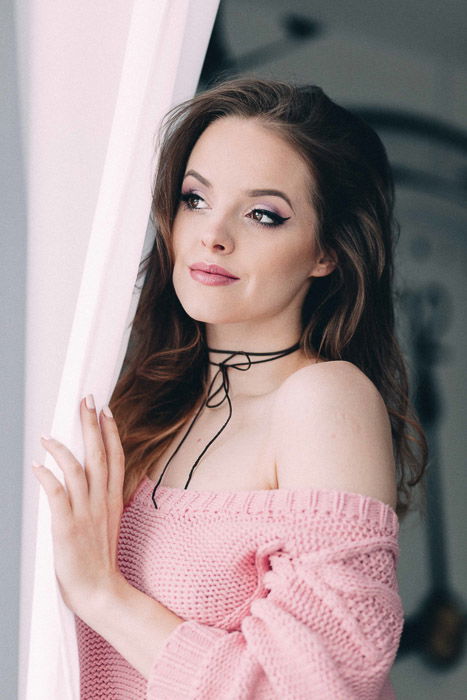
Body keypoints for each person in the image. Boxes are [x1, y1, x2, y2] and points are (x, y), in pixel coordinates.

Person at [34, 77, 427, 699]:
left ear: (326, 251)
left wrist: (103, 596)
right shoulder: (139, 399)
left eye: (263, 214)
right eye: (195, 199)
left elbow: (317, 690)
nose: (212, 234)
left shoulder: (323, 398)